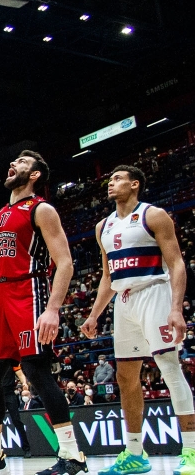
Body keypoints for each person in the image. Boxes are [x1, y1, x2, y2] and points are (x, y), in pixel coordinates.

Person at [0, 151, 87, 475]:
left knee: (36, 371)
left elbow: (65, 262)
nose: (13, 164)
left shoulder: (41, 209)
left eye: (22, 163)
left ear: (35, 175)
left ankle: (72, 455)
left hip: (28, 292)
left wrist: (53, 310)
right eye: (12, 161)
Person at [81, 165, 195, 475]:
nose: (111, 183)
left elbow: (177, 264)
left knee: (170, 368)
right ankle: (134, 453)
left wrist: (176, 308)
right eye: (109, 179)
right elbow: (107, 276)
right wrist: (94, 314)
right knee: (125, 377)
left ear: (134, 185)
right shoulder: (102, 226)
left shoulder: (154, 215)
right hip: (124, 300)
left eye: (117, 179)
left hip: (154, 292)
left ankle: (192, 451)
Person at [2, 365, 31, 457]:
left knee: (16, 420)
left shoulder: (12, 362)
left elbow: (20, 374)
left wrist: (24, 383)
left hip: (9, 393)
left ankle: (26, 449)